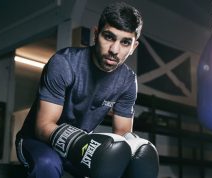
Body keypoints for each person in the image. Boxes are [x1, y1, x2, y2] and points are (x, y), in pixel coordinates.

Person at [16, 2, 159, 178]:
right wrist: (84, 144)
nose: (114, 50)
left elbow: (122, 132)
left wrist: (133, 149)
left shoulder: (128, 81)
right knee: (48, 164)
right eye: (108, 37)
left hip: (78, 147)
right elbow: (43, 126)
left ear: (133, 47)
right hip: (37, 142)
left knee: (123, 166)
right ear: (96, 34)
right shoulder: (64, 64)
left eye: (125, 42)